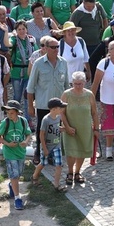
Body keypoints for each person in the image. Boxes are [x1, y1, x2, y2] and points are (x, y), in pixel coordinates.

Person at [27, 36, 69, 164]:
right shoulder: (38, 63)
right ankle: (38, 152)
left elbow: (66, 85)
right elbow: (30, 87)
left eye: (57, 47)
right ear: (45, 48)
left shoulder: (63, 62)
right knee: (42, 130)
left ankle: (53, 153)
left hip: (59, 106)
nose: (56, 49)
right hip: (43, 104)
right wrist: (30, 106)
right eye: (53, 47)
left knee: (56, 131)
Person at [61, 71, 98, 185]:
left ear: (84, 83)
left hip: (85, 128)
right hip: (70, 127)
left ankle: (78, 172)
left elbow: (94, 113)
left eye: (80, 84)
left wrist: (96, 128)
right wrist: (67, 127)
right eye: (75, 83)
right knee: (71, 151)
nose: (77, 86)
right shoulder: (66, 94)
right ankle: (70, 172)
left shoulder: (89, 95)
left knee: (82, 150)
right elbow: (61, 113)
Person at [0, 100, 32, 210]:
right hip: (9, 153)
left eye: (11, 113)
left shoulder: (23, 121)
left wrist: (26, 141)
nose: (9, 115)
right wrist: (7, 143)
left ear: (17, 112)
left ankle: (12, 185)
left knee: (19, 173)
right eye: (7, 113)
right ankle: (17, 198)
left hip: (21, 152)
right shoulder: (5, 122)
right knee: (15, 175)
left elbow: (28, 134)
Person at [31, 97, 68, 192]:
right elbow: (41, 134)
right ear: (54, 109)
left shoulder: (58, 117)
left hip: (57, 145)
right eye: (60, 108)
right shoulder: (46, 120)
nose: (62, 109)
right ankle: (35, 176)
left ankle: (56, 184)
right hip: (47, 146)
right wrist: (44, 148)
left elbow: (57, 127)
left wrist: (63, 129)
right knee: (43, 163)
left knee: (59, 164)